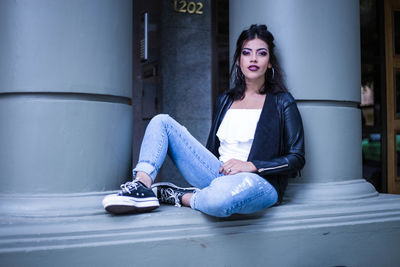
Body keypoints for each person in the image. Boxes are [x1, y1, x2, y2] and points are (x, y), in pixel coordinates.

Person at [102, 24, 305, 218]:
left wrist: (251, 165)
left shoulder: (282, 102)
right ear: (238, 60)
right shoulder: (225, 100)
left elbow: (296, 158)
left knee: (219, 201)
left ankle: (180, 196)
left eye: (261, 53)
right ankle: (142, 185)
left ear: (269, 62)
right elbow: (211, 150)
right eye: (246, 52)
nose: (253, 58)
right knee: (161, 121)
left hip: (259, 183)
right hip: (217, 173)